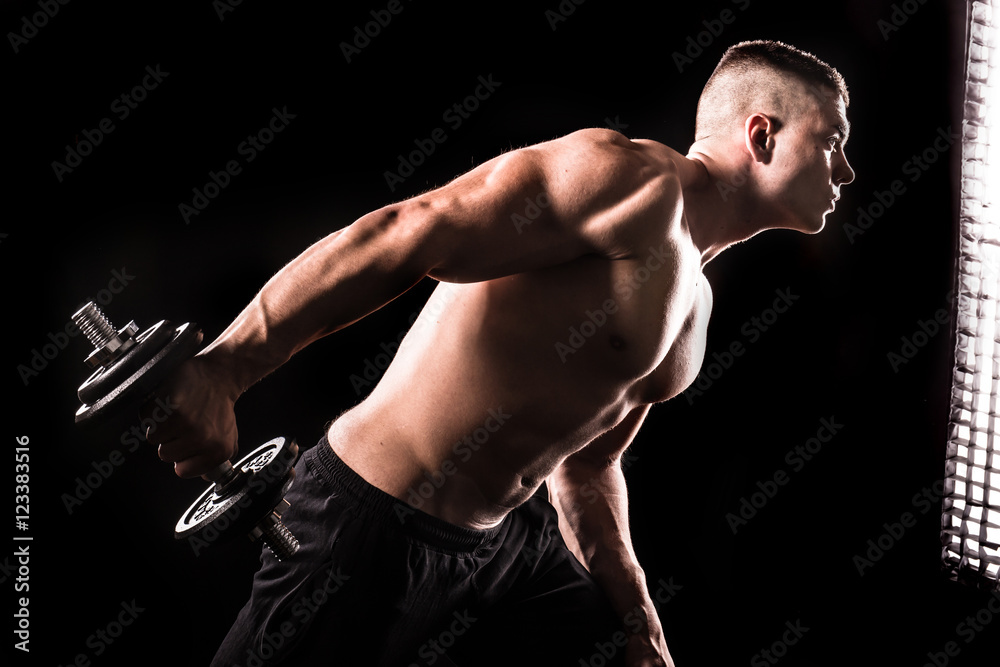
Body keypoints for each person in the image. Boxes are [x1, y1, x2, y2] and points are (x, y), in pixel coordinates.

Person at [145, 39, 854, 667]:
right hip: (372, 520)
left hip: (500, 550)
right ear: (761, 133)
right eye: (831, 142)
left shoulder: (694, 302)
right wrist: (224, 367)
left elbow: (588, 465)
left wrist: (641, 620)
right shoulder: (630, 182)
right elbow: (412, 229)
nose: (846, 171)